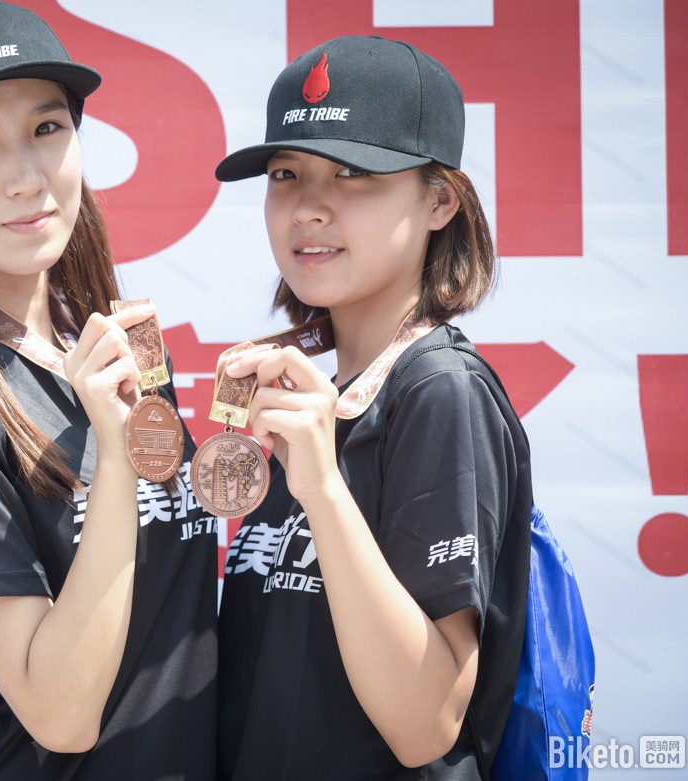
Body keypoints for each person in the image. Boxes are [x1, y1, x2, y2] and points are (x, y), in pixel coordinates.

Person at [0, 2, 218, 779]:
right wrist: (116, 461)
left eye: (47, 128)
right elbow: (61, 712)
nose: (27, 176)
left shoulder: (110, 346)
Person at [215, 36, 532, 779]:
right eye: (286, 173)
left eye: (353, 172)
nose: (309, 207)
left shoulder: (440, 391)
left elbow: (428, 724)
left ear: (440, 200)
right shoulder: (320, 397)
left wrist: (324, 491)